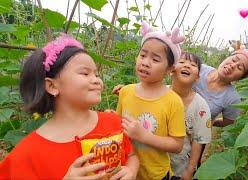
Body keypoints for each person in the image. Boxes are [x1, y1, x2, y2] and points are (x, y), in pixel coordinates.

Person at [0, 34, 139, 179]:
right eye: (85, 73)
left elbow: (132, 155)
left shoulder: (114, 122)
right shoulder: (28, 154)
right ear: (52, 86)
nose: (97, 81)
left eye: (96, 75)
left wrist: (131, 170)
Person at [116, 22, 186, 180]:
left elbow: (177, 145)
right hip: (125, 169)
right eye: (142, 55)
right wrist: (110, 119)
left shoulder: (173, 101)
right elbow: (119, 126)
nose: (145, 62)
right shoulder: (126, 92)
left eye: (155, 59)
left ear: (169, 69)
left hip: (156, 174)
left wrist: (144, 136)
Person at [193, 41, 248, 127]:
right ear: (227, 58)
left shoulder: (232, 99)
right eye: (234, 60)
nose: (233, 65)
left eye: (239, 67)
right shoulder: (199, 69)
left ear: (240, 77)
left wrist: (208, 123)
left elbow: (228, 123)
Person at [169, 51, 211, 180]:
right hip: (155, 163)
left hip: (180, 168)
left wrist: (190, 170)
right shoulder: (159, 93)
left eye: (192, 65)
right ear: (171, 70)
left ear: (197, 77)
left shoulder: (201, 106)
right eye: (181, 62)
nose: (186, 66)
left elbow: (199, 141)